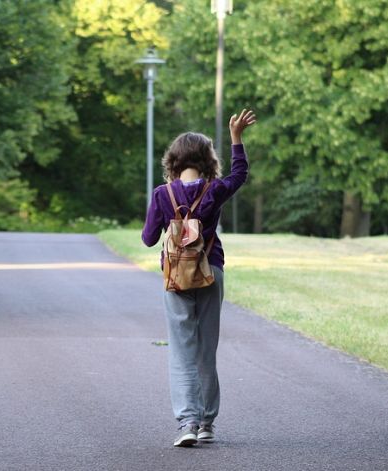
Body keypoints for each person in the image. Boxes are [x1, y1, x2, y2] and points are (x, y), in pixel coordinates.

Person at [142, 109, 256, 447]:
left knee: (181, 351)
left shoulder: (162, 194)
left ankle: (187, 423)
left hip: (177, 278)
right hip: (211, 272)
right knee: (207, 349)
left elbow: (149, 238)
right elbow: (240, 174)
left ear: (173, 160)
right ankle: (207, 422)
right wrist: (236, 138)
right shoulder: (215, 189)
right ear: (208, 160)